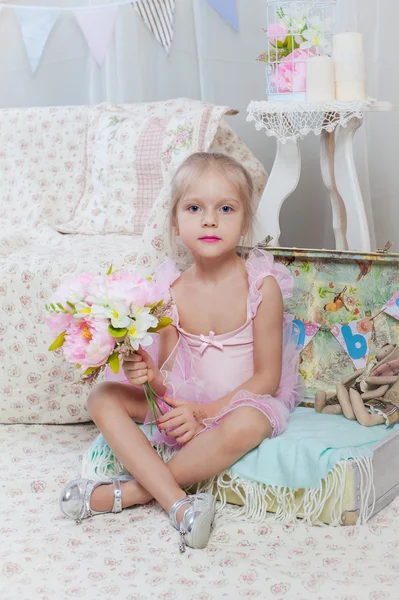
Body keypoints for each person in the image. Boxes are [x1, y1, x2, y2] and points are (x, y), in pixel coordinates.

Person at [59, 152, 303, 552]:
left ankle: (136, 492)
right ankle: (178, 503)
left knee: (249, 422)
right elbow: (172, 376)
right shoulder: (169, 291)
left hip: (238, 402)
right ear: (175, 221)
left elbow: (266, 380)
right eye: (195, 208)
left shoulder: (262, 285)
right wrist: (153, 379)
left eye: (225, 208)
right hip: (184, 404)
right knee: (103, 396)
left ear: (245, 221)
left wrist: (204, 414)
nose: (210, 220)